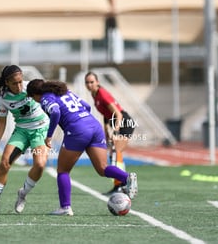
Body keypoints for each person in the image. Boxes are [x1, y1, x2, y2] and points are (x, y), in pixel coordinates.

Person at [26, 79, 137, 216]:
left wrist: (49, 136)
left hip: (77, 130)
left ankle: (65, 208)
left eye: (32, 98)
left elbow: (55, 112)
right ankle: (126, 177)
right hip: (94, 126)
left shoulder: (45, 98)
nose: (35, 101)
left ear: (35, 94)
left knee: (63, 171)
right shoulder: (65, 92)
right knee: (102, 168)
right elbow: (86, 106)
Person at [0, 65, 50, 214]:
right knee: (5, 163)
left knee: (39, 164)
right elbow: (2, 121)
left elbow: (50, 98)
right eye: (15, 83)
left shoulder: (30, 88)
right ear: (7, 82)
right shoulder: (2, 96)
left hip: (40, 130)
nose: (19, 86)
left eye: (20, 82)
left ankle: (22, 194)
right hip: (21, 131)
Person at [84, 71, 136, 195]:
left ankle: (124, 182)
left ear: (97, 82)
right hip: (115, 123)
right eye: (87, 82)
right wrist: (107, 131)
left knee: (117, 152)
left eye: (92, 82)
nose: (89, 84)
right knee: (114, 154)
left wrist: (115, 131)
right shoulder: (95, 95)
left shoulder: (102, 94)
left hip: (124, 122)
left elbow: (118, 114)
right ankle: (120, 184)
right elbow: (106, 115)